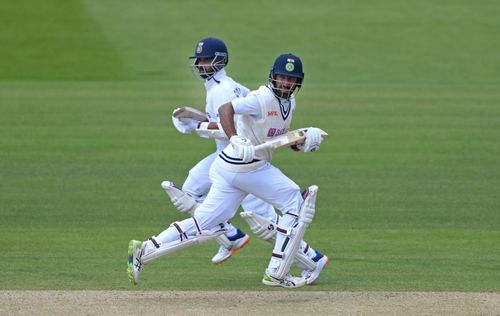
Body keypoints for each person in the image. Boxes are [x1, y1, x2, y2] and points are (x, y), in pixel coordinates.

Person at [128, 52, 329, 288]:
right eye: (281, 77)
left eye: (291, 79)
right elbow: (226, 109)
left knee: (204, 222)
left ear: (298, 82)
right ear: (272, 76)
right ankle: (277, 270)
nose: (285, 83)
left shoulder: (289, 102)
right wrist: (235, 138)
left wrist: (302, 142)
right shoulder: (260, 98)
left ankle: (144, 250)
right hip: (245, 166)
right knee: (295, 200)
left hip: (231, 168)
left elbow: (274, 138)